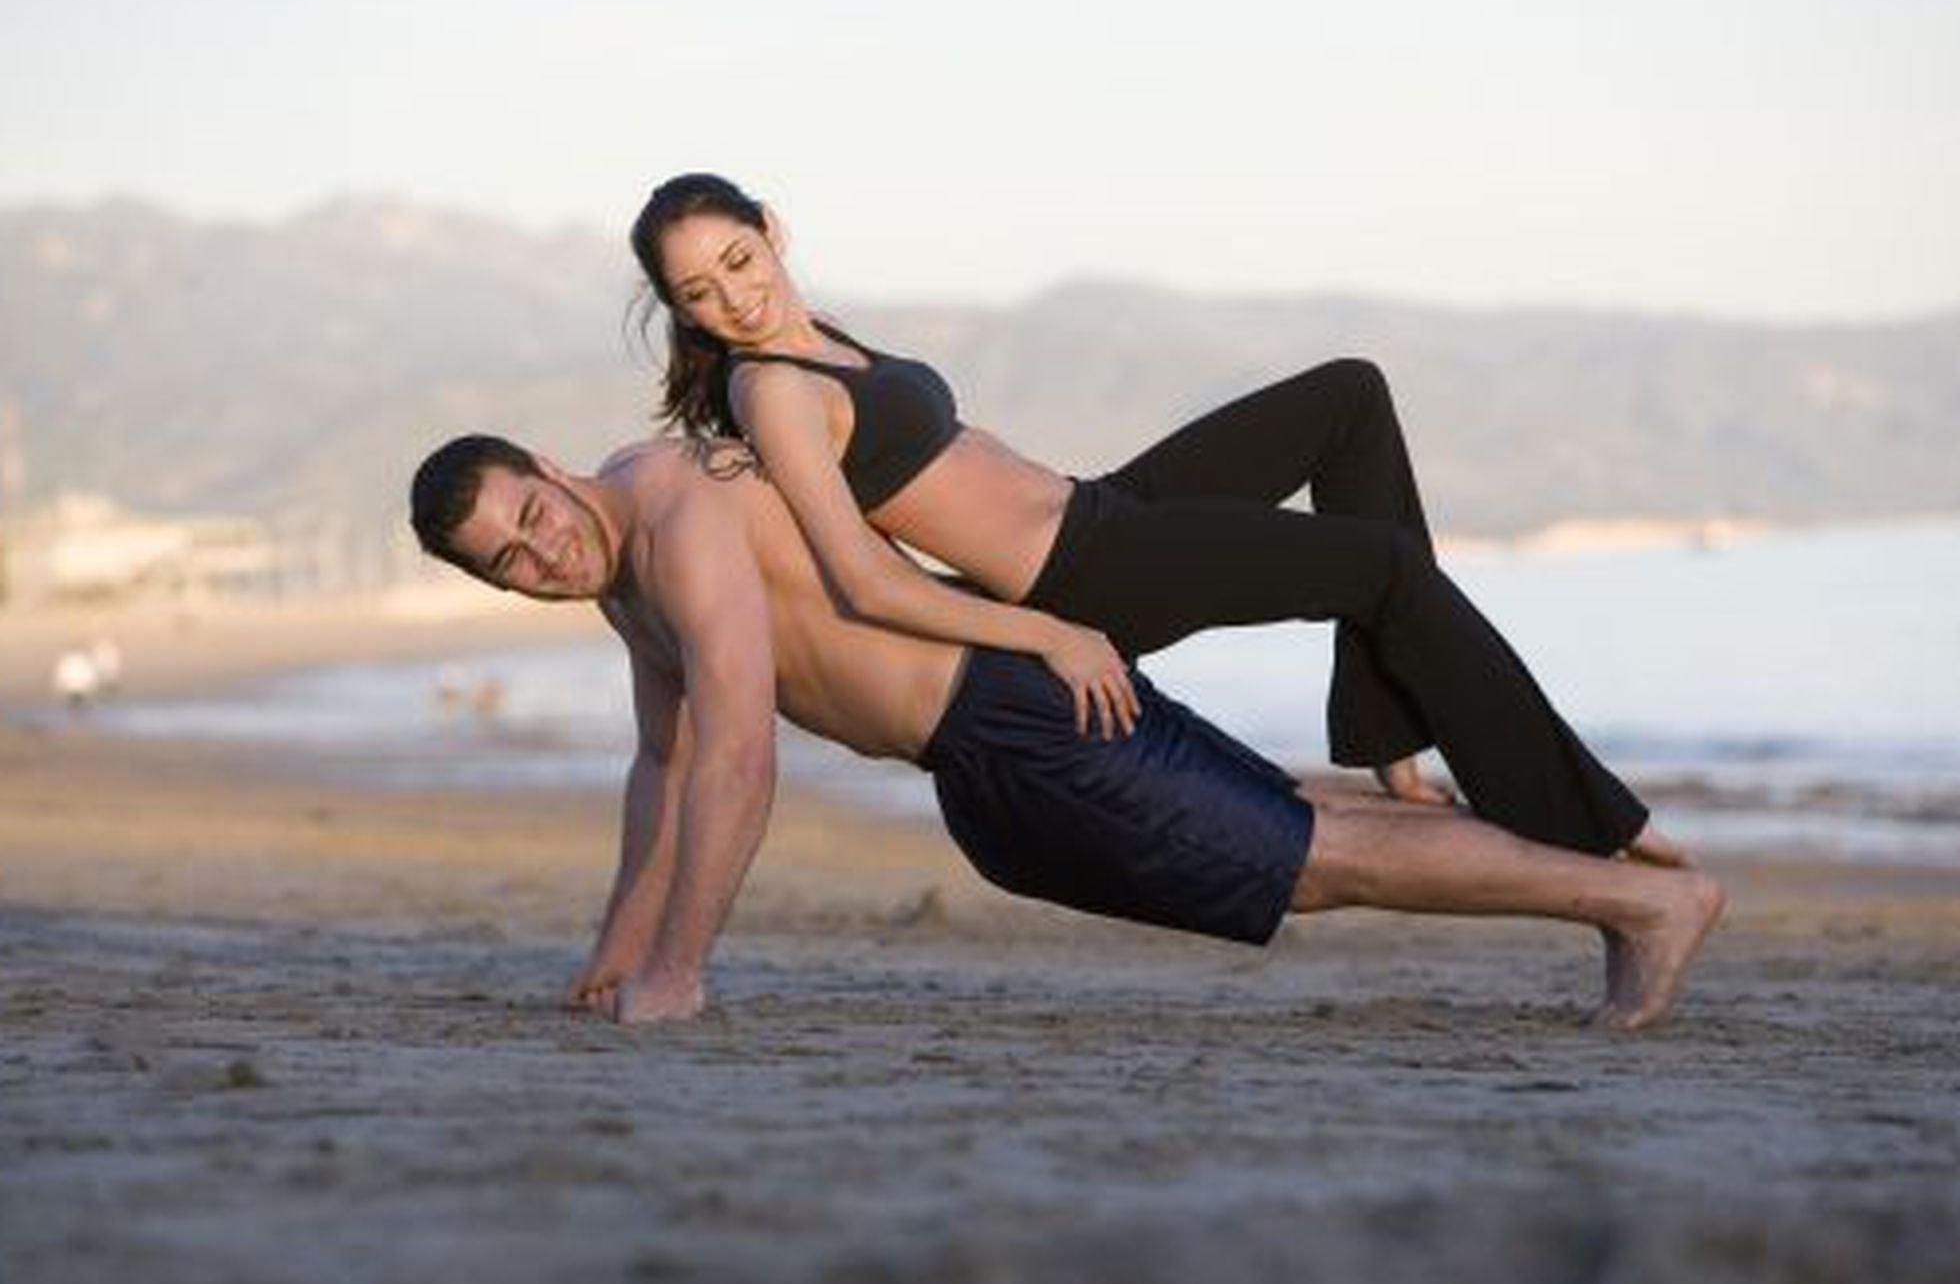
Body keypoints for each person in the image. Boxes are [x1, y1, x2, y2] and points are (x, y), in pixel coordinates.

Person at [407, 432, 1724, 1031]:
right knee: (1289, 825)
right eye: (509, 562)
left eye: (534, 515)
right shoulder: (622, 572)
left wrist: (678, 972)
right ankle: (1621, 880)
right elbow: (668, 759)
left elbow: (741, 756)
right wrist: (617, 949)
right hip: (995, 739)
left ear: (551, 467)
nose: (541, 553)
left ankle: (1630, 899)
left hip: (1011, 716)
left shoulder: (676, 517)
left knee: (1306, 857)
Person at [628, 173, 1681, 870]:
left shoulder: (817, 341)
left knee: (1347, 397)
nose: (734, 295)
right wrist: (1052, 632)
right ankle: (1588, 825)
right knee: (1385, 573)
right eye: (699, 293)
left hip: (1103, 507)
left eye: (737, 259)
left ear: (771, 229)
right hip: (1085, 575)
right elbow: (860, 579)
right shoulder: (768, 388)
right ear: (681, 314)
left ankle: (1390, 742)